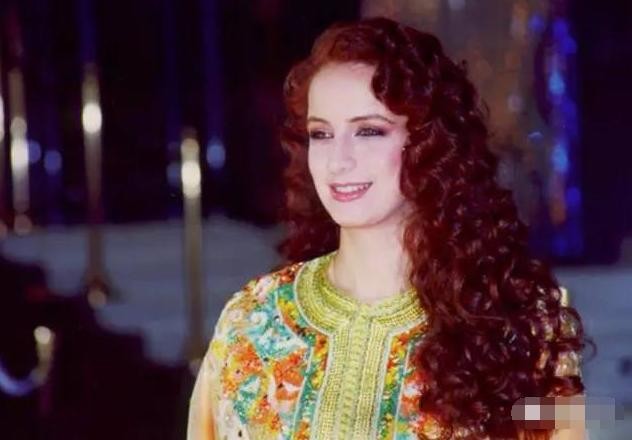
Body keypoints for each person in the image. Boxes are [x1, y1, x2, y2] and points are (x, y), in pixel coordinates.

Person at [188, 17, 586, 439]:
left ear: (427, 142)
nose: (338, 161)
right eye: (321, 134)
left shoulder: (520, 328)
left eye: (369, 131)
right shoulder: (254, 322)